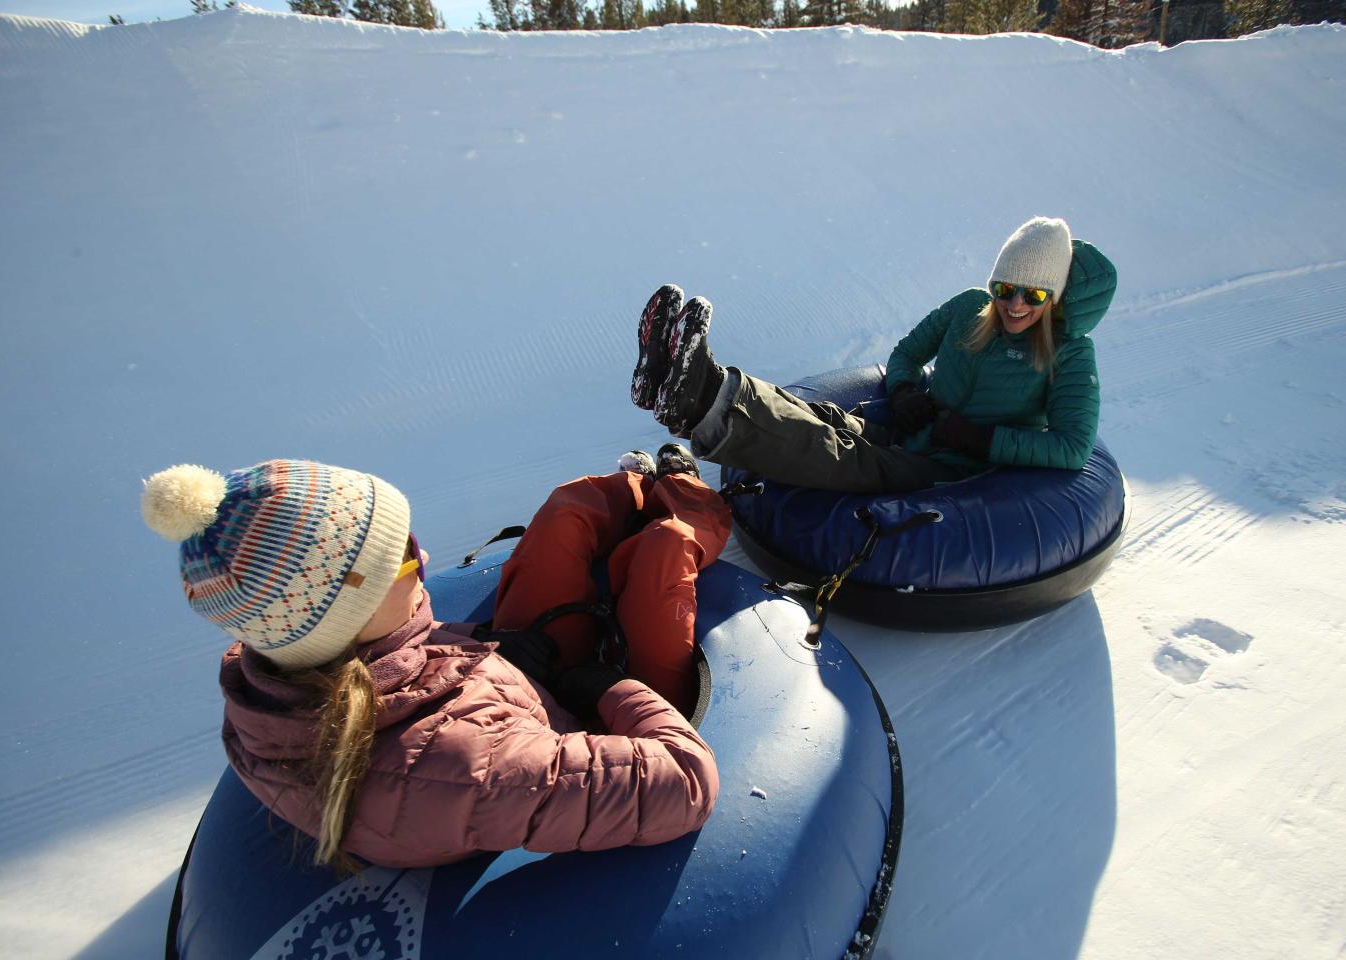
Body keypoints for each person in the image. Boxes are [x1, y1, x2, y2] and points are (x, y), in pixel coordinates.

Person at [141, 451, 724, 874]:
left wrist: (481, 645)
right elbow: (684, 782)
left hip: (511, 684)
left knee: (567, 512)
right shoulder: (465, 771)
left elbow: (394, 666)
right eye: (400, 558)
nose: (422, 556)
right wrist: (611, 689)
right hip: (585, 726)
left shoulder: (295, 671)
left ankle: (646, 482)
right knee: (666, 549)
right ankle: (692, 496)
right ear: (350, 609)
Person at [631, 217, 1117, 493]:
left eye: (1032, 296)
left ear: (1052, 298)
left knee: (848, 458)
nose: (1013, 305)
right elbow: (908, 351)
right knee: (822, 416)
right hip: (916, 429)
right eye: (1006, 288)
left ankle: (700, 404)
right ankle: (690, 381)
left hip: (957, 468)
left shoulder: (1069, 355)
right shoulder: (970, 306)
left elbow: (1073, 446)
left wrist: (981, 439)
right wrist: (905, 388)